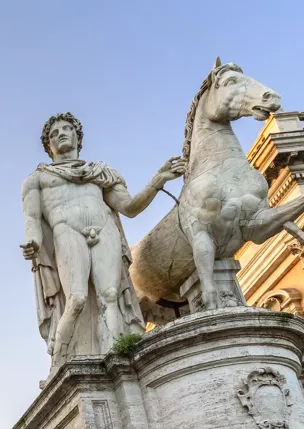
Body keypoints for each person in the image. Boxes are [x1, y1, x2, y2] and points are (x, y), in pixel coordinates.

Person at [20, 113, 184, 365]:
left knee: (109, 295)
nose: (61, 133)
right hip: (67, 232)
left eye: (67, 129)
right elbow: (32, 218)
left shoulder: (100, 173)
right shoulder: (37, 179)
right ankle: (59, 362)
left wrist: (157, 180)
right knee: (76, 299)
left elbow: (129, 207)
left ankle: (116, 360)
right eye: (54, 133)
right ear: (48, 146)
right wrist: (34, 242)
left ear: (77, 136)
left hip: (104, 228)